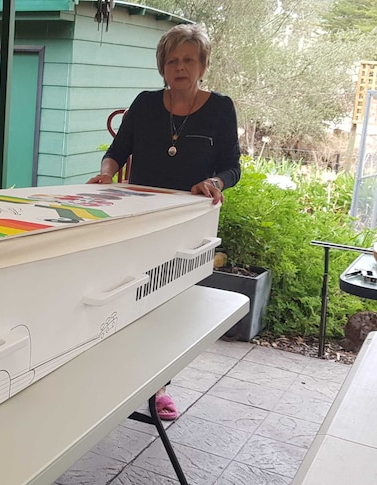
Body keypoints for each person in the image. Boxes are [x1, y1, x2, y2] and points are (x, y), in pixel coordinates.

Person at [88, 23, 241, 420]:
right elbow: (117, 151)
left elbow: (232, 167)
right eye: (172, 60)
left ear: (202, 65)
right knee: (131, 293)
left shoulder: (221, 108)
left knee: (170, 305)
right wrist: (107, 173)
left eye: (189, 59)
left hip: (187, 222)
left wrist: (214, 181)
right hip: (139, 217)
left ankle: (158, 386)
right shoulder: (144, 103)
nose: (180, 67)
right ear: (162, 67)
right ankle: (122, 376)